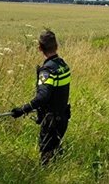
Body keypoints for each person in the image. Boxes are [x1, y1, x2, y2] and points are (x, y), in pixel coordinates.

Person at [11, 29, 71, 165]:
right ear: (56, 46)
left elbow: (42, 97)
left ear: (39, 48)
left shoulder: (47, 70)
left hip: (51, 122)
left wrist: (23, 109)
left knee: (46, 157)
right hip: (62, 118)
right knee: (55, 150)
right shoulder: (63, 66)